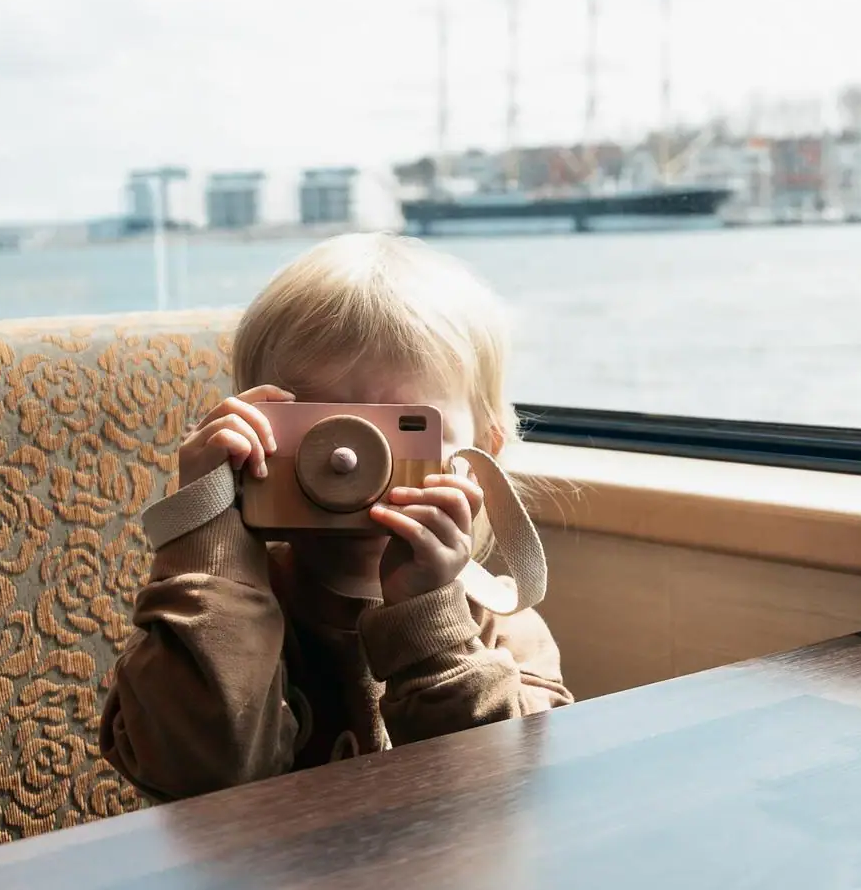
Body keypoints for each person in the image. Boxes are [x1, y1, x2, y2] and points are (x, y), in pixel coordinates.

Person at [100, 232, 572, 803]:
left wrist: (433, 625)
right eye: (319, 431)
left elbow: (514, 791)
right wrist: (210, 546)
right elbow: (191, 776)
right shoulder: (216, 611)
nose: (352, 463)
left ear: (483, 456)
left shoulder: (496, 620)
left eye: (405, 430)